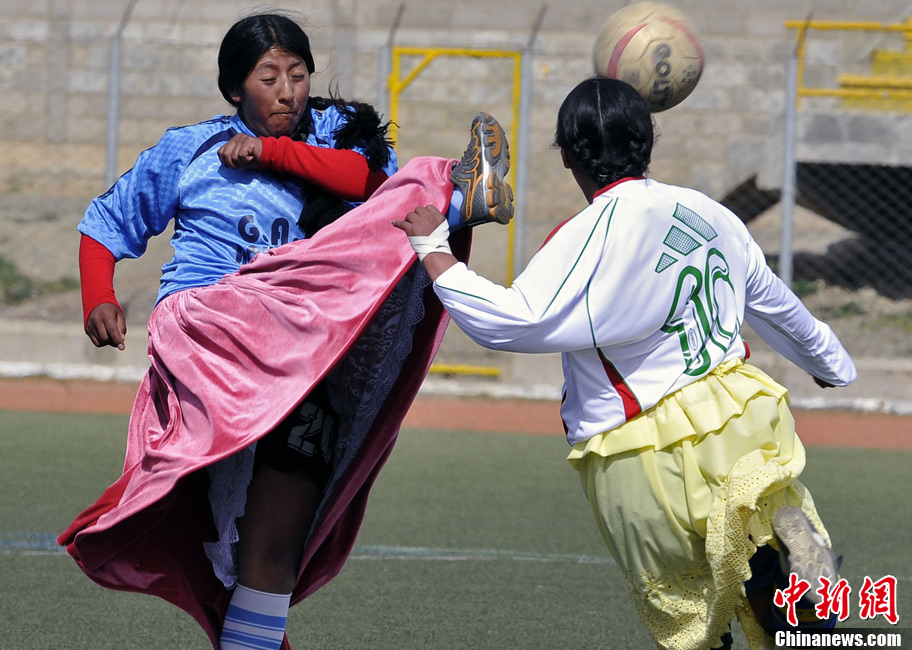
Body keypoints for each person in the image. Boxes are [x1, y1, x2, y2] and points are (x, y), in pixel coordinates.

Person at [58, 11, 513, 650]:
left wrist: (275, 153)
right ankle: (459, 198)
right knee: (215, 538)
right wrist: (97, 298)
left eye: (298, 75)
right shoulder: (188, 150)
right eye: (268, 77)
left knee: (269, 554)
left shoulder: (335, 134)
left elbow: (373, 188)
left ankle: (464, 196)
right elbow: (105, 223)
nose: (287, 90)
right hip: (215, 339)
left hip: (302, 356)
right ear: (234, 89)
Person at [393, 76, 857, 650]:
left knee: (691, 618)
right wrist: (830, 361)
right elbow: (776, 305)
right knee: (775, 554)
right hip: (741, 416)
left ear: (565, 154)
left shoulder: (589, 235)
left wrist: (433, 249)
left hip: (644, 445)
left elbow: (514, 320)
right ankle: (790, 579)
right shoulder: (711, 213)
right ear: (649, 141)